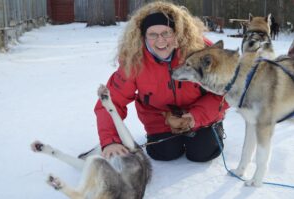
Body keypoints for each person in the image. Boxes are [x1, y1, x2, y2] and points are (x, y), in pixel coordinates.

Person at [83, 1, 228, 162]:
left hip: (201, 116)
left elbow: (227, 91)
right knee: (164, 153)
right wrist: (110, 141)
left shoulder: (200, 50)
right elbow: (111, 102)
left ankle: (214, 129)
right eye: (153, 34)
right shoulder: (134, 59)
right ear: (143, 36)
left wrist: (194, 117)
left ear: (177, 32)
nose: (160, 41)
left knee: (203, 153)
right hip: (159, 119)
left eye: (166, 33)